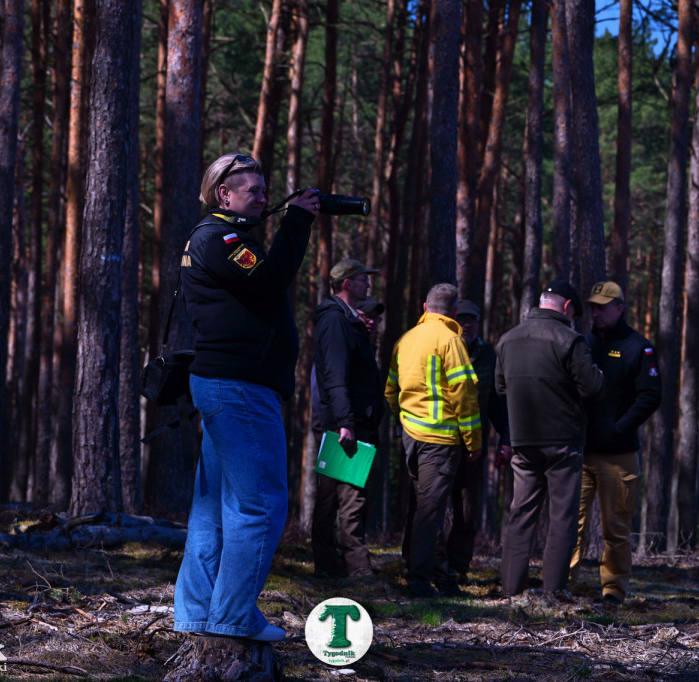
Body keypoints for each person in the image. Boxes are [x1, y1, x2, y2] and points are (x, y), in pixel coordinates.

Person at [174, 153, 319, 641]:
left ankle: (198, 613)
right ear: (224, 194)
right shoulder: (224, 238)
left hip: (227, 384)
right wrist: (297, 219)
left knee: (215, 508)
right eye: (252, 190)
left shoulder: (219, 238)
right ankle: (232, 618)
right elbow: (271, 279)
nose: (262, 196)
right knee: (260, 505)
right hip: (239, 388)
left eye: (263, 188)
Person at [496, 279, 604, 596]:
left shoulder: (507, 340)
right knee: (562, 519)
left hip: (523, 441)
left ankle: (511, 592)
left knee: (521, 515)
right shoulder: (569, 340)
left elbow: (501, 388)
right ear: (568, 307)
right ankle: (552, 594)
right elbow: (594, 388)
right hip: (563, 442)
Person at [568, 281, 662, 606]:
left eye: (602, 307)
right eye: (592, 306)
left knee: (617, 528)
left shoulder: (638, 346)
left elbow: (651, 395)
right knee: (570, 525)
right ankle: (561, 585)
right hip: (579, 453)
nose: (596, 312)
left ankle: (613, 591)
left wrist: (619, 428)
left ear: (619, 308)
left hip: (620, 455)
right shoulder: (582, 343)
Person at [386, 283, 482, 598]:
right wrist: (473, 440)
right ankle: (419, 582)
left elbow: (391, 389)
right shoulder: (451, 340)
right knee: (430, 513)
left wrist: (404, 420)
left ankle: (435, 575)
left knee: (423, 508)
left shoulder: (406, 339)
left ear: (425, 308)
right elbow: (464, 394)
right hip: (440, 441)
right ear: (453, 312)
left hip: (411, 437)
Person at [310, 259, 385, 579]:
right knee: (352, 495)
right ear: (346, 284)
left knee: (331, 497)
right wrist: (345, 422)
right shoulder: (336, 322)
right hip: (345, 423)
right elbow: (335, 376)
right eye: (362, 279)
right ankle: (357, 568)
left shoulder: (343, 322)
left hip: (345, 420)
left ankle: (329, 564)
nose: (368, 284)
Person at [444, 300, 511, 581]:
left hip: (474, 449)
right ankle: (427, 564)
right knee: (430, 509)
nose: (467, 324)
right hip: (439, 444)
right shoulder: (441, 349)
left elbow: (498, 403)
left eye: (473, 319)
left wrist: (505, 437)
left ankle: (459, 567)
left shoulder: (489, 357)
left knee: (467, 511)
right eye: (462, 319)